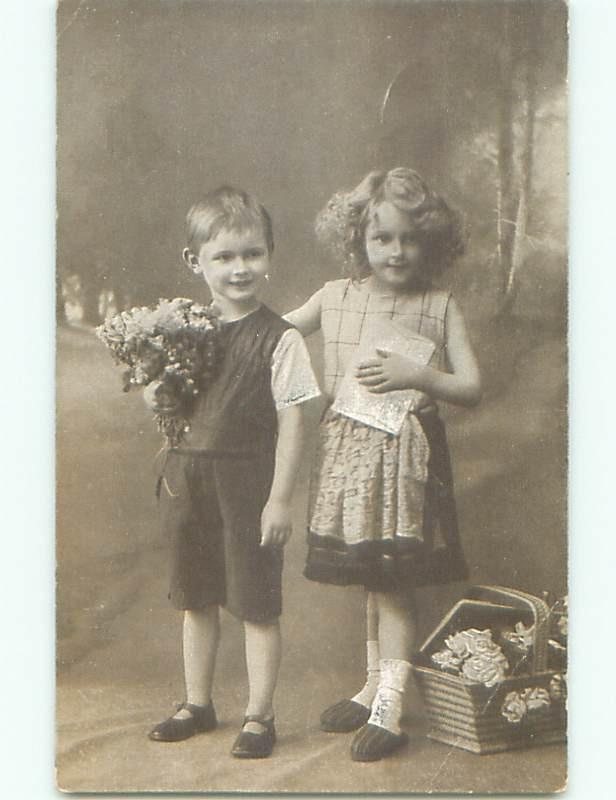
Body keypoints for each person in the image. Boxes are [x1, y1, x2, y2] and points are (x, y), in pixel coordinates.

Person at [286, 167, 481, 762]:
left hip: (405, 460)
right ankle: (374, 685)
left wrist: (419, 376)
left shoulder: (438, 305)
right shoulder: (336, 296)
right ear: (357, 240)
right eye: (382, 238)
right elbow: (273, 336)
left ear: (432, 241)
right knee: (373, 578)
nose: (395, 252)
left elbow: (471, 386)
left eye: (409, 239)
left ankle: (392, 709)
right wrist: (203, 329)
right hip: (348, 460)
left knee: (394, 582)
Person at [144, 186, 320, 758]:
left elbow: (295, 421)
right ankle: (197, 703)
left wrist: (280, 500)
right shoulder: (180, 331)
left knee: (255, 600)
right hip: (188, 479)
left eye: (252, 254)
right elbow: (165, 402)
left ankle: (259, 716)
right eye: (224, 257)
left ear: (269, 254)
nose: (240, 268)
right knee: (196, 597)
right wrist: (157, 394)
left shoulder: (280, 337)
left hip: (248, 484)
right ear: (195, 262)